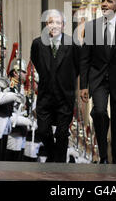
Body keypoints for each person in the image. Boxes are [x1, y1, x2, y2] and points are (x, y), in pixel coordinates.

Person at [79, 0, 116, 164]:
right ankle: (103, 155)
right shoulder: (90, 27)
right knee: (99, 112)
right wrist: (84, 85)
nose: (104, 4)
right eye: (102, 0)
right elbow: (85, 58)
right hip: (98, 80)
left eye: (109, 1)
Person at [31, 9, 80, 162]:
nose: (54, 25)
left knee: (61, 134)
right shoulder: (38, 43)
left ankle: (59, 165)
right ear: (46, 25)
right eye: (51, 22)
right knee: (44, 131)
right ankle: (53, 157)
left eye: (58, 22)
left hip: (64, 96)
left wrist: (67, 82)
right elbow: (36, 62)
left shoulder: (72, 44)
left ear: (63, 25)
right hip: (45, 95)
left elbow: (78, 67)